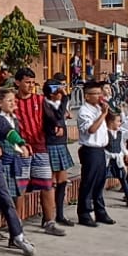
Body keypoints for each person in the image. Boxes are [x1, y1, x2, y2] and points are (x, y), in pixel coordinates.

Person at [0, 87, 36, 256]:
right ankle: (13, 235)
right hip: (0, 161)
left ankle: (2, 231)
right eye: (10, 100)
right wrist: (17, 148)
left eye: (14, 100)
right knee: (5, 197)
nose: (14, 103)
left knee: (3, 197)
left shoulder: (12, 119)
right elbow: (2, 139)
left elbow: (13, 136)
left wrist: (21, 145)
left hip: (11, 160)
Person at [11, 68, 65, 237]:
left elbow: (51, 118)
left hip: (40, 147)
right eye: (27, 82)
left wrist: (57, 127)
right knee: (20, 187)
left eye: (33, 83)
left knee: (47, 185)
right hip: (20, 149)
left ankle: (50, 221)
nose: (30, 86)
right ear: (18, 82)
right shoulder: (11, 101)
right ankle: (17, 225)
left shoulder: (39, 100)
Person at [75, 81, 113, 227]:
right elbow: (91, 129)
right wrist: (103, 114)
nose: (99, 96)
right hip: (90, 149)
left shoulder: (99, 107)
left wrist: (106, 111)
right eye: (95, 94)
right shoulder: (84, 111)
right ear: (87, 96)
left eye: (100, 93)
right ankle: (84, 213)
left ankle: (100, 211)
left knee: (99, 182)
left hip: (101, 149)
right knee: (88, 182)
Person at [42, 81, 77, 226]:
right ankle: (47, 216)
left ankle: (60, 214)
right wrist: (65, 98)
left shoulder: (59, 105)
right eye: (58, 90)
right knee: (50, 181)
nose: (61, 92)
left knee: (62, 179)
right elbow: (55, 117)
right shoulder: (46, 104)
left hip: (61, 143)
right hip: (50, 143)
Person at [106, 112, 128, 207]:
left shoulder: (120, 133)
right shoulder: (106, 133)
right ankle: (96, 197)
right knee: (101, 178)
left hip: (118, 159)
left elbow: (121, 145)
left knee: (122, 178)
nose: (119, 123)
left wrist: (126, 154)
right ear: (110, 122)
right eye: (118, 121)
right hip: (107, 159)